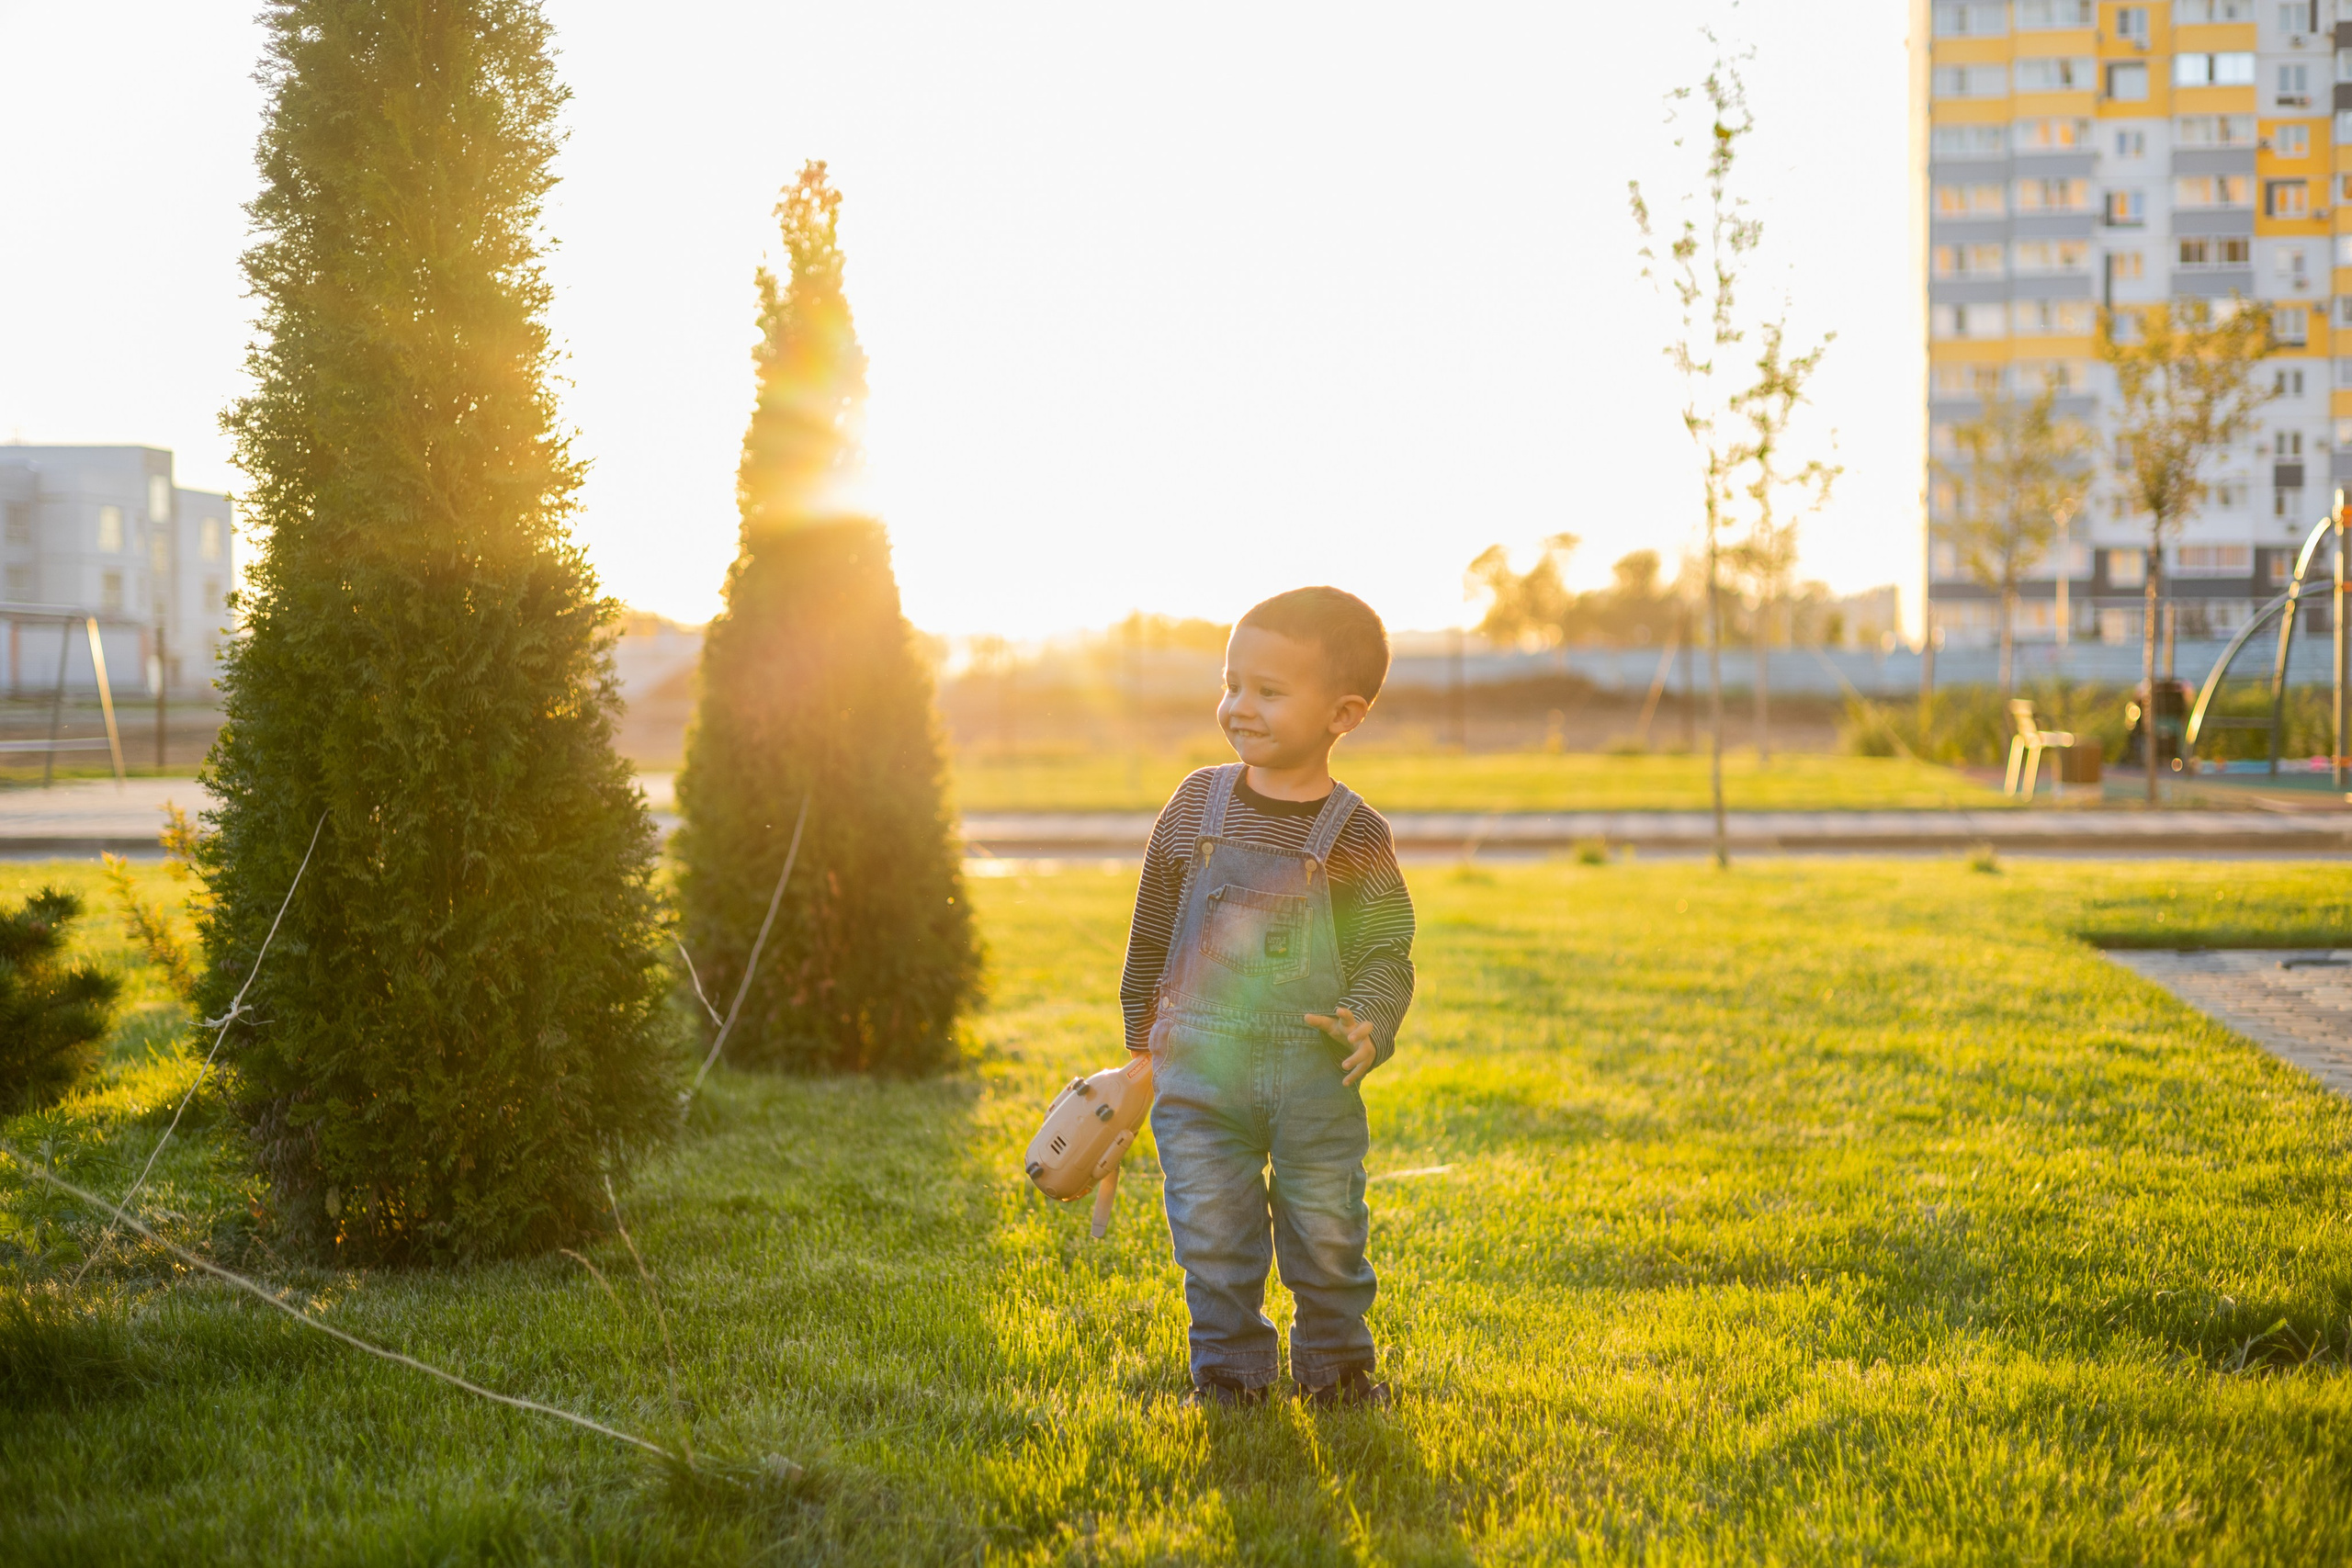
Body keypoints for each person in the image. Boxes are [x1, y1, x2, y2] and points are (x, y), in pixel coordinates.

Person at [1119, 586, 1417, 1408]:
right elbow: (1152, 930)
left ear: (1343, 713)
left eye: (1269, 691)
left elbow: (1388, 947)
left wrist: (1373, 1020)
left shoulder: (1355, 834)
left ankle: (1339, 1371)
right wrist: (1142, 1045)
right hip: (1199, 1070)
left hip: (1315, 1075)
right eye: (1232, 682)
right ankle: (1230, 1378)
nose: (1239, 707)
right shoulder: (1194, 806)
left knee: (1326, 1232)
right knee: (1212, 1234)